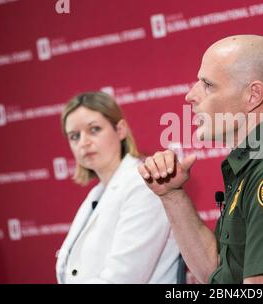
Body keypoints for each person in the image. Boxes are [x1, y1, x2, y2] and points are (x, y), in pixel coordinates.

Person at [138, 35, 263, 284]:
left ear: (253, 95)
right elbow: (215, 272)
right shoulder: (256, 162)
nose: (190, 96)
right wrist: (171, 195)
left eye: (207, 84)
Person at [56, 92, 179, 284]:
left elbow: (123, 279)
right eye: (74, 136)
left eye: (94, 129)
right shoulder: (97, 194)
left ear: (120, 130)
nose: (83, 142)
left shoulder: (143, 184)